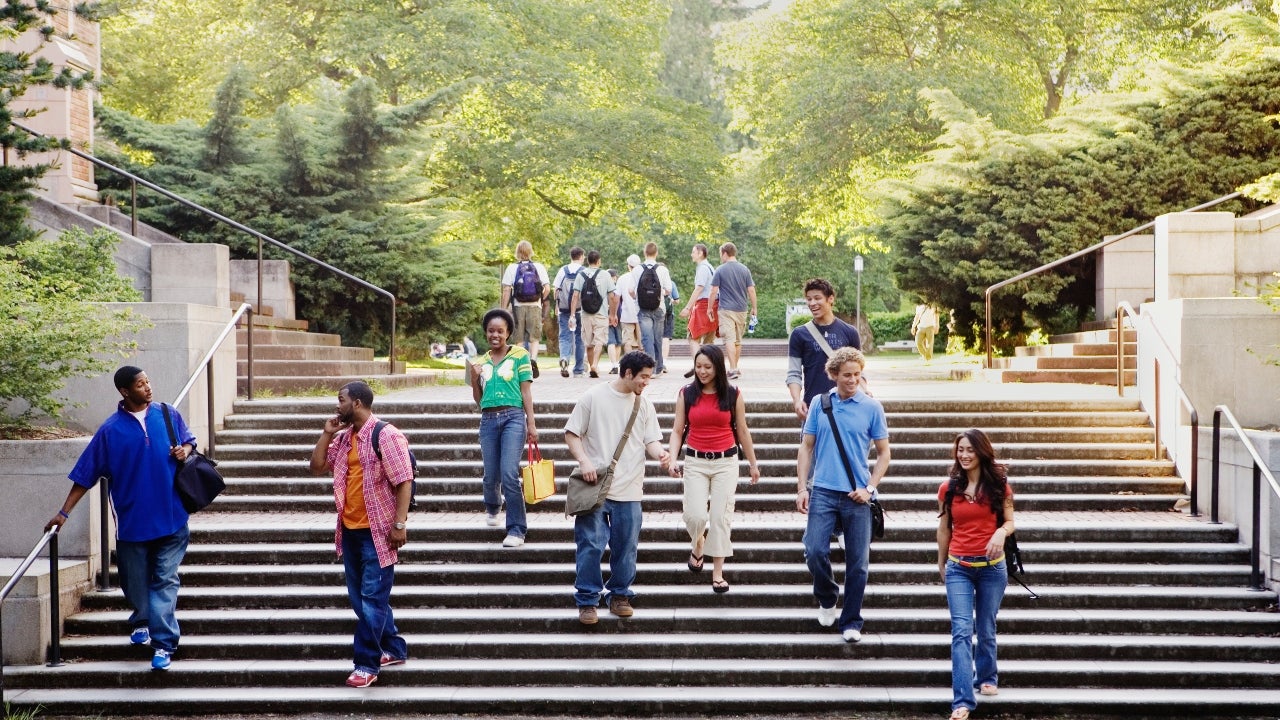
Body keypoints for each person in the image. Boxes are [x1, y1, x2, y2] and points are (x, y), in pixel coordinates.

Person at [45, 366, 196, 672]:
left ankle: (164, 643)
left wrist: (185, 451)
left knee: (165, 582)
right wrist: (63, 513)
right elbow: (85, 475)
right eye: (141, 385)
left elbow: (190, 441)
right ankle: (141, 619)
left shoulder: (168, 414)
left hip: (172, 518)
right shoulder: (110, 431)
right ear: (125, 392)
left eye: (149, 381)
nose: (148, 387)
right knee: (135, 585)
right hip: (132, 524)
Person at [309, 380, 414, 688]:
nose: (337, 405)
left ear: (356, 403)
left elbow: (404, 480)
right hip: (350, 530)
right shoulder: (343, 439)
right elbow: (316, 467)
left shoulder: (386, 435)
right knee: (361, 599)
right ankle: (393, 647)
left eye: (341, 400)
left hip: (378, 531)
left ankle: (366, 664)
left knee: (371, 599)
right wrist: (327, 432)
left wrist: (399, 524)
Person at [564, 351, 671, 625]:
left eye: (649, 376)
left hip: (631, 488)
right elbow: (572, 432)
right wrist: (584, 460)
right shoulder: (593, 397)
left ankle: (619, 594)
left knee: (626, 546)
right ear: (627, 373)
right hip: (595, 484)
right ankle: (587, 600)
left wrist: (661, 455)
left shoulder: (643, 404)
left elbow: (651, 440)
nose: (647, 382)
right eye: (643, 377)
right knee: (590, 545)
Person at [795, 347, 890, 643]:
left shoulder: (872, 407)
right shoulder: (820, 404)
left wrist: (870, 488)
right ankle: (827, 597)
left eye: (857, 375)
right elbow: (806, 447)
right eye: (847, 375)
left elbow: (884, 453)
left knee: (858, 563)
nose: (852, 380)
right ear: (834, 375)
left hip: (857, 495)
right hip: (823, 490)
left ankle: (851, 620)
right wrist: (801, 486)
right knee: (813, 550)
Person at [667, 344, 759, 593]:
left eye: (707, 367)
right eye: (698, 367)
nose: (702, 371)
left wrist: (752, 463)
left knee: (720, 517)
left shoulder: (732, 394)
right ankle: (698, 544)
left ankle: (717, 572)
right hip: (695, 461)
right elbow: (677, 430)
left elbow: (742, 430)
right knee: (695, 515)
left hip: (726, 462)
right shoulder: (686, 393)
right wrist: (673, 459)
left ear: (718, 367)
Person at [937, 429, 1015, 720]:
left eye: (970, 449)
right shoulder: (949, 488)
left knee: (985, 625)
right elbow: (944, 528)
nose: (965, 455)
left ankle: (988, 676)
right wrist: (941, 562)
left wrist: (999, 532)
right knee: (960, 631)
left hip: (992, 569)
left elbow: (1010, 523)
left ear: (981, 451)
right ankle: (962, 701)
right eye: (960, 450)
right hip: (959, 566)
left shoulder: (1000, 487)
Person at [466, 308, 538, 548]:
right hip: (488, 419)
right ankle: (493, 506)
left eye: (500, 331)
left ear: (508, 333)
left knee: (509, 473)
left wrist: (532, 423)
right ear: (486, 333)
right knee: (491, 475)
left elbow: (526, 391)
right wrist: (475, 378)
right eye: (490, 330)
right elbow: (479, 399)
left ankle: (517, 529)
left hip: (513, 418)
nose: (495, 335)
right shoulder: (480, 362)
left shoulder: (520, 355)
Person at [786, 278, 862, 420]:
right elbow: (794, 373)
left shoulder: (850, 332)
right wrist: (797, 401)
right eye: (809, 299)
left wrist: (865, 390)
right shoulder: (799, 334)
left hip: (847, 406)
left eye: (817, 298)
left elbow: (858, 372)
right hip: (814, 407)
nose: (812, 303)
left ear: (830, 299)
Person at [707, 242, 758, 379]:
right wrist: (754, 308)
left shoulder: (720, 270)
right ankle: (735, 367)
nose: (720, 257)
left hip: (726, 310)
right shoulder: (745, 269)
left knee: (729, 339)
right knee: (738, 340)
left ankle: (733, 369)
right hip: (742, 309)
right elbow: (751, 290)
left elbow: (713, 291)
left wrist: (709, 308)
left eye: (720, 254)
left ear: (724, 253)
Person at [500, 240, 550, 373]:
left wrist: (503, 309)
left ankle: (521, 365)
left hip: (518, 306)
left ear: (517, 252)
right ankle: (533, 360)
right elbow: (547, 288)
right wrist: (540, 299)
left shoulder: (512, 268)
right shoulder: (539, 267)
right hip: (535, 306)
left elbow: (506, 290)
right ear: (531, 251)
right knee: (534, 337)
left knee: (519, 337)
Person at [570, 250, 617, 379]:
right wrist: (613, 314)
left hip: (585, 314)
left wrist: (572, 314)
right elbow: (612, 296)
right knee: (599, 341)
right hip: (601, 313)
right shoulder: (605, 275)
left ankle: (592, 366)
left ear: (587, 261)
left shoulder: (581, 275)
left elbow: (575, 296)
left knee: (588, 343)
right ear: (599, 261)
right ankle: (595, 364)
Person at [629, 242, 673, 376]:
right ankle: (659, 367)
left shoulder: (637, 269)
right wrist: (658, 294)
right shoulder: (662, 269)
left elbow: (630, 290)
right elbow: (669, 290)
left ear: (644, 253)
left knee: (647, 338)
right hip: (659, 308)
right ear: (656, 253)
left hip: (642, 309)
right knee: (658, 337)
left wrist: (639, 298)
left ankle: (650, 369)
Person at [680, 243, 717, 361]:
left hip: (704, 305)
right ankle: (709, 365)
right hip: (714, 303)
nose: (691, 254)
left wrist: (688, 307)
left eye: (693, 252)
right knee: (709, 339)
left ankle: (698, 364)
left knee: (693, 336)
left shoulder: (702, 268)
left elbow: (699, 288)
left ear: (700, 253)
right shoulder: (711, 267)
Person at [553, 246, 586, 377]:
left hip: (564, 309)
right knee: (580, 338)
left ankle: (565, 358)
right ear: (581, 257)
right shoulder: (584, 271)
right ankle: (578, 369)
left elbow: (556, 289)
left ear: (571, 257)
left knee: (564, 337)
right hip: (580, 310)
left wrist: (556, 306)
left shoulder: (563, 270)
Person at [612, 254, 642, 355]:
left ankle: (629, 363)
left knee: (627, 342)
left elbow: (616, 298)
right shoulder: (643, 276)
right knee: (642, 343)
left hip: (626, 315)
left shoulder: (622, 278)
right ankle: (642, 365)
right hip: (641, 314)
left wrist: (614, 314)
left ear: (628, 265)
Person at [605, 268, 623, 374]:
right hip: (620, 315)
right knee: (618, 341)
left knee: (610, 341)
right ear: (615, 277)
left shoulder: (604, 287)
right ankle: (616, 363)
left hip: (607, 314)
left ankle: (614, 365)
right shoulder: (618, 286)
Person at [662, 277, 679, 364]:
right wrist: (672, 301)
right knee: (665, 338)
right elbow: (677, 300)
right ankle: (664, 362)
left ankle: (655, 361)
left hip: (653, 313)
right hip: (668, 314)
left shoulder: (652, 282)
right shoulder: (671, 283)